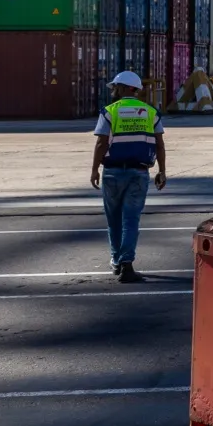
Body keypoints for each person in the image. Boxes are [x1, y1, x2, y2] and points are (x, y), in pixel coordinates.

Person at [90, 71, 167, 283]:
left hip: (113, 173)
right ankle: (126, 264)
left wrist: (95, 169)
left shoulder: (109, 111)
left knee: (114, 219)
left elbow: (101, 143)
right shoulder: (151, 112)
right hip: (139, 173)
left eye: (115, 87)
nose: (113, 90)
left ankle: (117, 261)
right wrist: (162, 170)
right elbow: (159, 144)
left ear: (125, 88)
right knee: (131, 220)